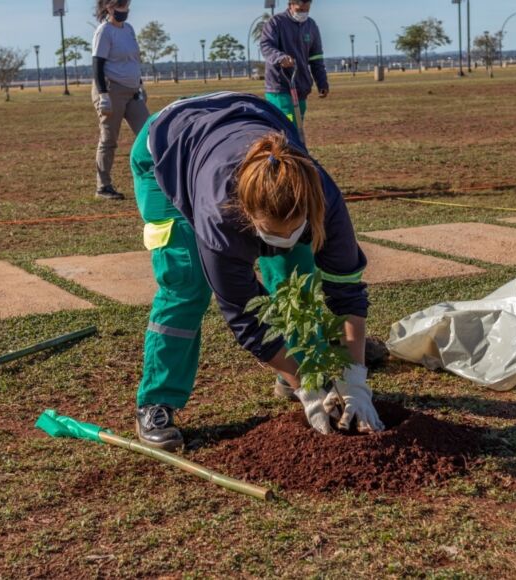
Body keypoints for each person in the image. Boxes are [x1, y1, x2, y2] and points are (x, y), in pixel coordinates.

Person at [129, 92, 384, 451]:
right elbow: (245, 316)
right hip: (168, 146)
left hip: (248, 116)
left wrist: (355, 380)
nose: (281, 240)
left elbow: (347, 293)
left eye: (293, 230)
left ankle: (298, 369)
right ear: (246, 216)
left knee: (296, 276)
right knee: (187, 283)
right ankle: (157, 401)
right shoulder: (218, 212)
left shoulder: (324, 199)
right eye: (270, 233)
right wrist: (307, 387)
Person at [91, 0, 149, 201]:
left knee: (149, 134)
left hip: (133, 92)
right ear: (109, 8)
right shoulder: (104, 31)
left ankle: (155, 179)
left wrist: (140, 85)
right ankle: (103, 186)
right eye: (121, 7)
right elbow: (97, 64)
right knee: (109, 140)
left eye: (127, 7)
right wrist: (103, 95)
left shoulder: (129, 29)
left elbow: (133, 61)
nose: (125, 11)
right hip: (111, 90)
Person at [260, 0, 329, 130]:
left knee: (297, 127)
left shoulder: (311, 26)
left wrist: (322, 83)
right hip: (280, 87)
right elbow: (266, 46)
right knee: (287, 125)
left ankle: (293, 149)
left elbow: (316, 58)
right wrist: (280, 58)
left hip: (301, 86)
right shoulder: (276, 22)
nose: (303, 13)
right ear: (290, 5)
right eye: (299, 10)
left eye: (306, 10)